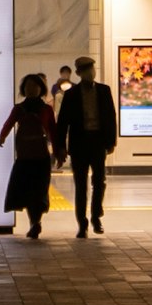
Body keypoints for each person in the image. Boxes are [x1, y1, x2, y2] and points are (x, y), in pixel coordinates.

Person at [57, 57, 119, 236]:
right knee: (80, 184)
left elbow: (110, 116)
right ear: (78, 73)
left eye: (91, 68)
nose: (90, 72)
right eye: (85, 69)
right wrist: (61, 146)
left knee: (99, 181)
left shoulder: (104, 90)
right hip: (79, 143)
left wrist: (111, 141)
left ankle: (96, 217)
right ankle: (82, 224)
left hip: (98, 141)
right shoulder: (71, 94)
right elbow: (63, 122)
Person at [0, 72, 59, 238]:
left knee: (38, 191)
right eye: (28, 86)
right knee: (26, 191)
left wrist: (59, 151)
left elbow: (53, 131)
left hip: (41, 157)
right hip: (24, 157)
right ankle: (35, 223)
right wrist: (2, 135)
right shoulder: (19, 109)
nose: (31, 89)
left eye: (35, 86)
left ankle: (35, 223)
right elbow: (9, 123)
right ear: (23, 89)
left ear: (41, 89)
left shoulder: (46, 109)